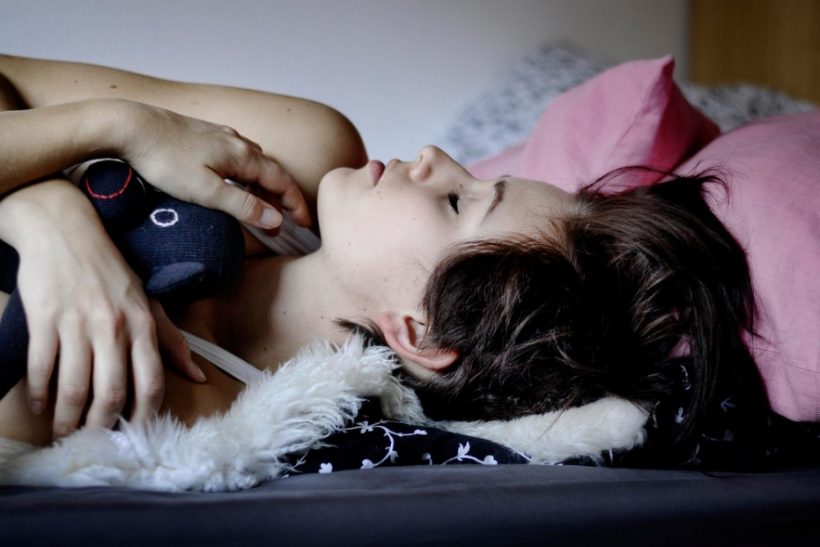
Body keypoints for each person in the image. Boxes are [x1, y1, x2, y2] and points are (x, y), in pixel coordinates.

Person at [0, 54, 798, 469]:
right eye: (473, 180)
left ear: (418, 330)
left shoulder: (135, 381)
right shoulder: (304, 151)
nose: (435, 157)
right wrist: (68, 189)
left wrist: (50, 197)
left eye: (456, 202)